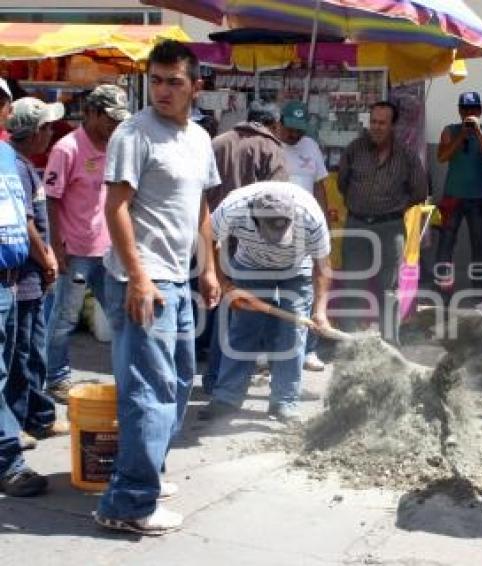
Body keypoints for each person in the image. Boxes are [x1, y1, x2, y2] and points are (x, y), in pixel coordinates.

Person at [94, 40, 221, 535]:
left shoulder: (199, 139)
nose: (163, 90)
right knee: (148, 390)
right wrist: (139, 276)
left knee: (179, 381)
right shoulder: (134, 132)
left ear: (196, 86)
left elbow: (201, 210)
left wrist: (209, 269)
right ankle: (128, 502)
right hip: (141, 278)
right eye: (157, 79)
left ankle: (147, 471)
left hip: (179, 276)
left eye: (175, 81)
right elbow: (115, 207)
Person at [198, 182, 332, 422]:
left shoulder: (309, 215)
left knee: (292, 335)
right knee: (243, 331)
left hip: (296, 270)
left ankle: (285, 402)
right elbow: (207, 239)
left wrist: (320, 310)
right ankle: (227, 398)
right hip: (251, 266)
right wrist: (222, 281)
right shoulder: (234, 208)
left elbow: (323, 267)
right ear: (254, 217)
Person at [43, 85, 129, 403]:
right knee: (64, 318)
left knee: (119, 316)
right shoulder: (67, 149)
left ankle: (125, 375)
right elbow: (51, 199)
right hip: (75, 250)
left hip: (109, 251)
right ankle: (57, 378)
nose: (114, 126)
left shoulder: (117, 146)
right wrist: (57, 246)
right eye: (109, 119)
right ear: (91, 113)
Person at [203, 100, 288, 393]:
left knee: (220, 306)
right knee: (245, 314)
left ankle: (214, 378)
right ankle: (230, 381)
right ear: (273, 124)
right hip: (249, 243)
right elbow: (278, 200)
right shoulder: (271, 149)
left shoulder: (217, 142)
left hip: (211, 234)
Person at [337, 100, 428, 343]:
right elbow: (342, 183)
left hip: (391, 228)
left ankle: (390, 343)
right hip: (357, 225)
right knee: (353, 285)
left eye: (382, 123)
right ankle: (349, 343)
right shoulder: (355, 149)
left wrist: (393, 207)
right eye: (373, 122)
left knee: (390, 289)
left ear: (393, 126)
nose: (376, 127)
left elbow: (420, 191)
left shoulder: (407, 156)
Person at [3, 98, 65, 450]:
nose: (51, 133)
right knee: (21, 356)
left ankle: (36, 416)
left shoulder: (24, 164)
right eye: (46, 128)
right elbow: (27, 225)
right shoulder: (17, 167)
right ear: (34, 132)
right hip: (24, 278)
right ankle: (17, 421)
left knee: (33, 353)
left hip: (33, 278)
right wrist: (47, 259)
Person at [0, 107, 48, 497]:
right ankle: (8, 462)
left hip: (11, 280)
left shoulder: (4, 156)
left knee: (9, 366)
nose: (6, 109)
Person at [278, 100, 330, 372]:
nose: (294, 135)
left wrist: (322, 221)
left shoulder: (310, 146)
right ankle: (269, 351)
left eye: (299, 130)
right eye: (290, 129)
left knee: (307, 291)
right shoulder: (271, 147)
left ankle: (308, 349)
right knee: (275, 291)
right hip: (275, 232)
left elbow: (320, 185)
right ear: (280, 123)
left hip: (306, 229)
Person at [434, 91, 482, 293]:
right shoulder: (449, 130)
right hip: (453, 195)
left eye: (474, 109)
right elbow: (442, 157)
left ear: (480, 110)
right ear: (459, 110)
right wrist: (461, 137)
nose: (469, 113)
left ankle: (479, 287)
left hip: (479, 197)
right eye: (465, 109)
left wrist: (476, 131)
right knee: (446, 242)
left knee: (480, 244)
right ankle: (442, 287)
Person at [209, 99, 287, 212]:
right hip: (250, 226)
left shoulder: (217, 143)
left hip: (213, 223)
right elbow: (277, 197)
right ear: (276, 125)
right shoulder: (271, 148)